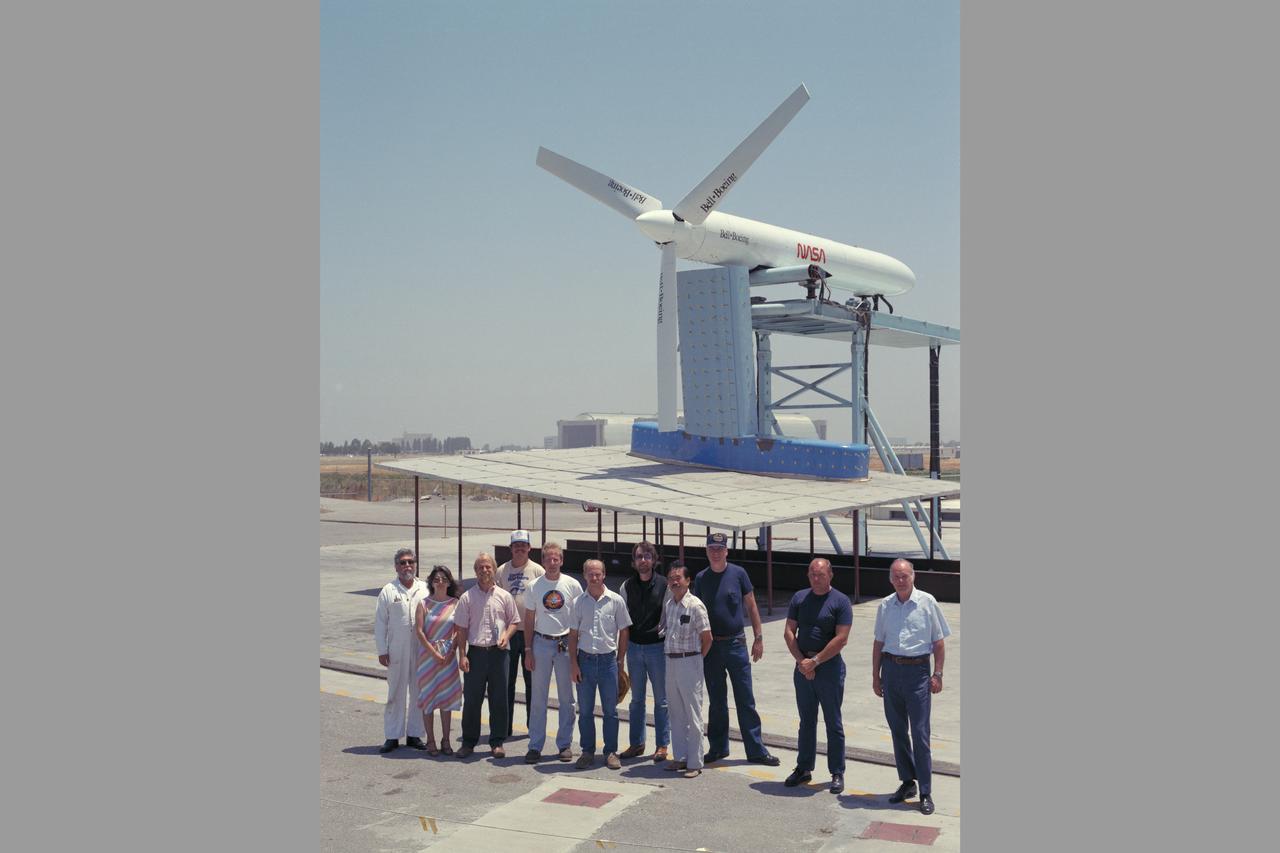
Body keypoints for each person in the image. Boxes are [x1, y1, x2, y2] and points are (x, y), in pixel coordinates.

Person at [692, 532, 780, 766]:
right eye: (712, 548)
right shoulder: (701, 578)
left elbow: (751, 607)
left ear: (727, 551)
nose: (716, 552)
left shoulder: (738, 574)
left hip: (735, 644)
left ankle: (756, 750)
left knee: (745, 698)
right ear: (707, 551)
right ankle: (718, 747)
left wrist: (758, 638)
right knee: (717, 701)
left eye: (720, 549)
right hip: (712, 647)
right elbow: (695, 613)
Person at [872, 558, 951, 816]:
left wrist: (937, 674)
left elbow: (938, 643)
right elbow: (878, 642)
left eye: (904, 575)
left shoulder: (927, 602)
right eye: (896, 576)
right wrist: (876, 675)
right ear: (890, 579)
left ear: (913, 576)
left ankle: (926, 791)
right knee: (897, 729)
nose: (901, 580)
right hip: (891, 670)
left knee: (920, 733)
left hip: (918, 672)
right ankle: (907, 782)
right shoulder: (885, 605)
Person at [782, 558, 853, 793]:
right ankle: (803, 768)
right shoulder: (799, 598)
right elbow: (789, 631)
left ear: (830, 575)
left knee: (833, 722)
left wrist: (816, 661)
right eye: (812, 574)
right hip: (803, 666)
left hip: (829, 669)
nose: (816, 578)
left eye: (821, 574)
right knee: (806, 721)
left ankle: (837, 772)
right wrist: (802, 661)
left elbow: (841, 638)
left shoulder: (841, 602)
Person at [453, 552, 520, 759]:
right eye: (481, 567)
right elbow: (461, 629)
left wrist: (507, 636)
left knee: (499, 699)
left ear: (494, 569)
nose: (484, 570)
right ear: (476, 571)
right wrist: (462, 655)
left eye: (488, 567)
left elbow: (514, 622)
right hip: (476, 654)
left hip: (499, 654)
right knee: (472, 699)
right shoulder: (467, 597)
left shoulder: (504, 596)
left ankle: (497, 741)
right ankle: (468, 742)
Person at [521, 541, 582, 764]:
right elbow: (528, 619)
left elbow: (579, 619)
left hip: (565, 645)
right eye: (548, 558)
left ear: (562, 560)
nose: (553, 562)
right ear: (543, 560)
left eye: (556, 558)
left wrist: (578, 652)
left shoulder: (573, 585)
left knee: (567, 698)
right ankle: (535, 745)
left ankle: (564, 744)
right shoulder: (534, 586)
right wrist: (528, 650)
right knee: (538, 698)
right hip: (541, 644)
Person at [568, 558, 632, 770]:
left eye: (598, 574)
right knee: (585, 710)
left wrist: (620, 661)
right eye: (590, 574)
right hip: (585, 660)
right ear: (584, 575)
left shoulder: (615, 601)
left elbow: (624, 630)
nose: (594, 578)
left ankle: (610, 751)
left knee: (610, 711)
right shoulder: (578, 603)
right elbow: (573, 635)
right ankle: (587, 751)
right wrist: (574, 665)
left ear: (604, 575)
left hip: (608, 662)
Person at [657, 560, 712, 779]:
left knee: (693, 714)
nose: (674, 582)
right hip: (671, 661)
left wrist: (696, 659)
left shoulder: (695, 605)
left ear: (688, 581)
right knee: (676, 712)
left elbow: (707, 638)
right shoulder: (670, 604)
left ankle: (695, 762)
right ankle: (679, 757)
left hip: (690, 661)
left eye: (678, 578)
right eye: (671, 578)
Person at [618, 541, 671, 763]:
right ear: (634, 562)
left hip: (657, 649)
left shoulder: (665, 585)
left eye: (647, 556)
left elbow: (670, 614)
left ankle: (662, 745)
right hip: (634, 649)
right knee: (637, 699)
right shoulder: (625, 587)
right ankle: (637, 743)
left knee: (661, 700)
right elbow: (622, 623)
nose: (643, 560)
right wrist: (620, 656)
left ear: (654, 560)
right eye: (639, 557)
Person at [374, 548, 431, 753]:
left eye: (410, 562)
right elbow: (380, 623)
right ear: (396, 566)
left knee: (419, 691)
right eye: (402, 562)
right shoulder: (388, 591)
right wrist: (382, 650)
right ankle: (392, 735)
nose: (407, 566)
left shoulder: (425, 589)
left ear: (415, 565)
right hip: (396, 649)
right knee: (395, 692)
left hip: (421, 648)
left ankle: (415, 734)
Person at [496, 529, 544, 739]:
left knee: (531, 681)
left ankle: (531, 725)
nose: (520, 549)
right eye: (516, 546)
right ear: (511, 548)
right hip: (508, 632)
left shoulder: (538, 571)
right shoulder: (501, 571)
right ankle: (505, 726)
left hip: (531, 633)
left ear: (529, 548)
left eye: (523, 545)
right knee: (507, 680)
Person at [414, 564, 464, 756]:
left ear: (449, 582)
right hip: (428, 657)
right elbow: (419, 632)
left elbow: (459, 629)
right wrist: (434, 653)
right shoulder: (424, 604)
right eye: (436, 579)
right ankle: (431, 740)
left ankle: (445, 739)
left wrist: (451, 651)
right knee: (428, 698)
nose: (440, 582)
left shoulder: (456, 603)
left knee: (446, 699)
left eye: (444, 579)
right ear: (431, 582)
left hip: (448, 657)